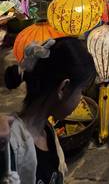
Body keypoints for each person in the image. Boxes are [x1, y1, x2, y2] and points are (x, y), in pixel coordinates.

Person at [3, 37, 96, 184]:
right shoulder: (10, 147)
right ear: (63, 88)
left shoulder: (47, 132)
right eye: (81, 91)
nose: (81, 99)